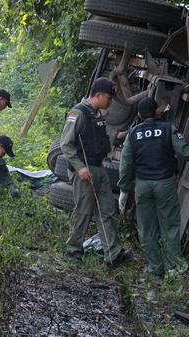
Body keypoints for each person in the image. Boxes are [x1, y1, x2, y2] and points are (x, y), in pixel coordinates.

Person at [117, 97, 189, 278]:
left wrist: (124, 190)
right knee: (169, 226)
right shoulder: (167, 129)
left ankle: (155, 268)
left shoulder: (132, 134)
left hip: (143, 185)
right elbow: (184, 153)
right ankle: (173, 268)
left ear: (139, 114)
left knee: (146, 228)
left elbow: (125, 165)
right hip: (165, 183)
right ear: (157, 112)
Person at [60, 77, 133, 267]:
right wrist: (80, 167)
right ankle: (73, 251)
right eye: (108, 97)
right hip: (84, 170)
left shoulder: (97, 114)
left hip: (99, 168)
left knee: (107, 211)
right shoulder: (78, 113)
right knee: (83, 212)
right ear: (98, 95)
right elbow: (65, 145)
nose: (110, 101)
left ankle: (113, 255)